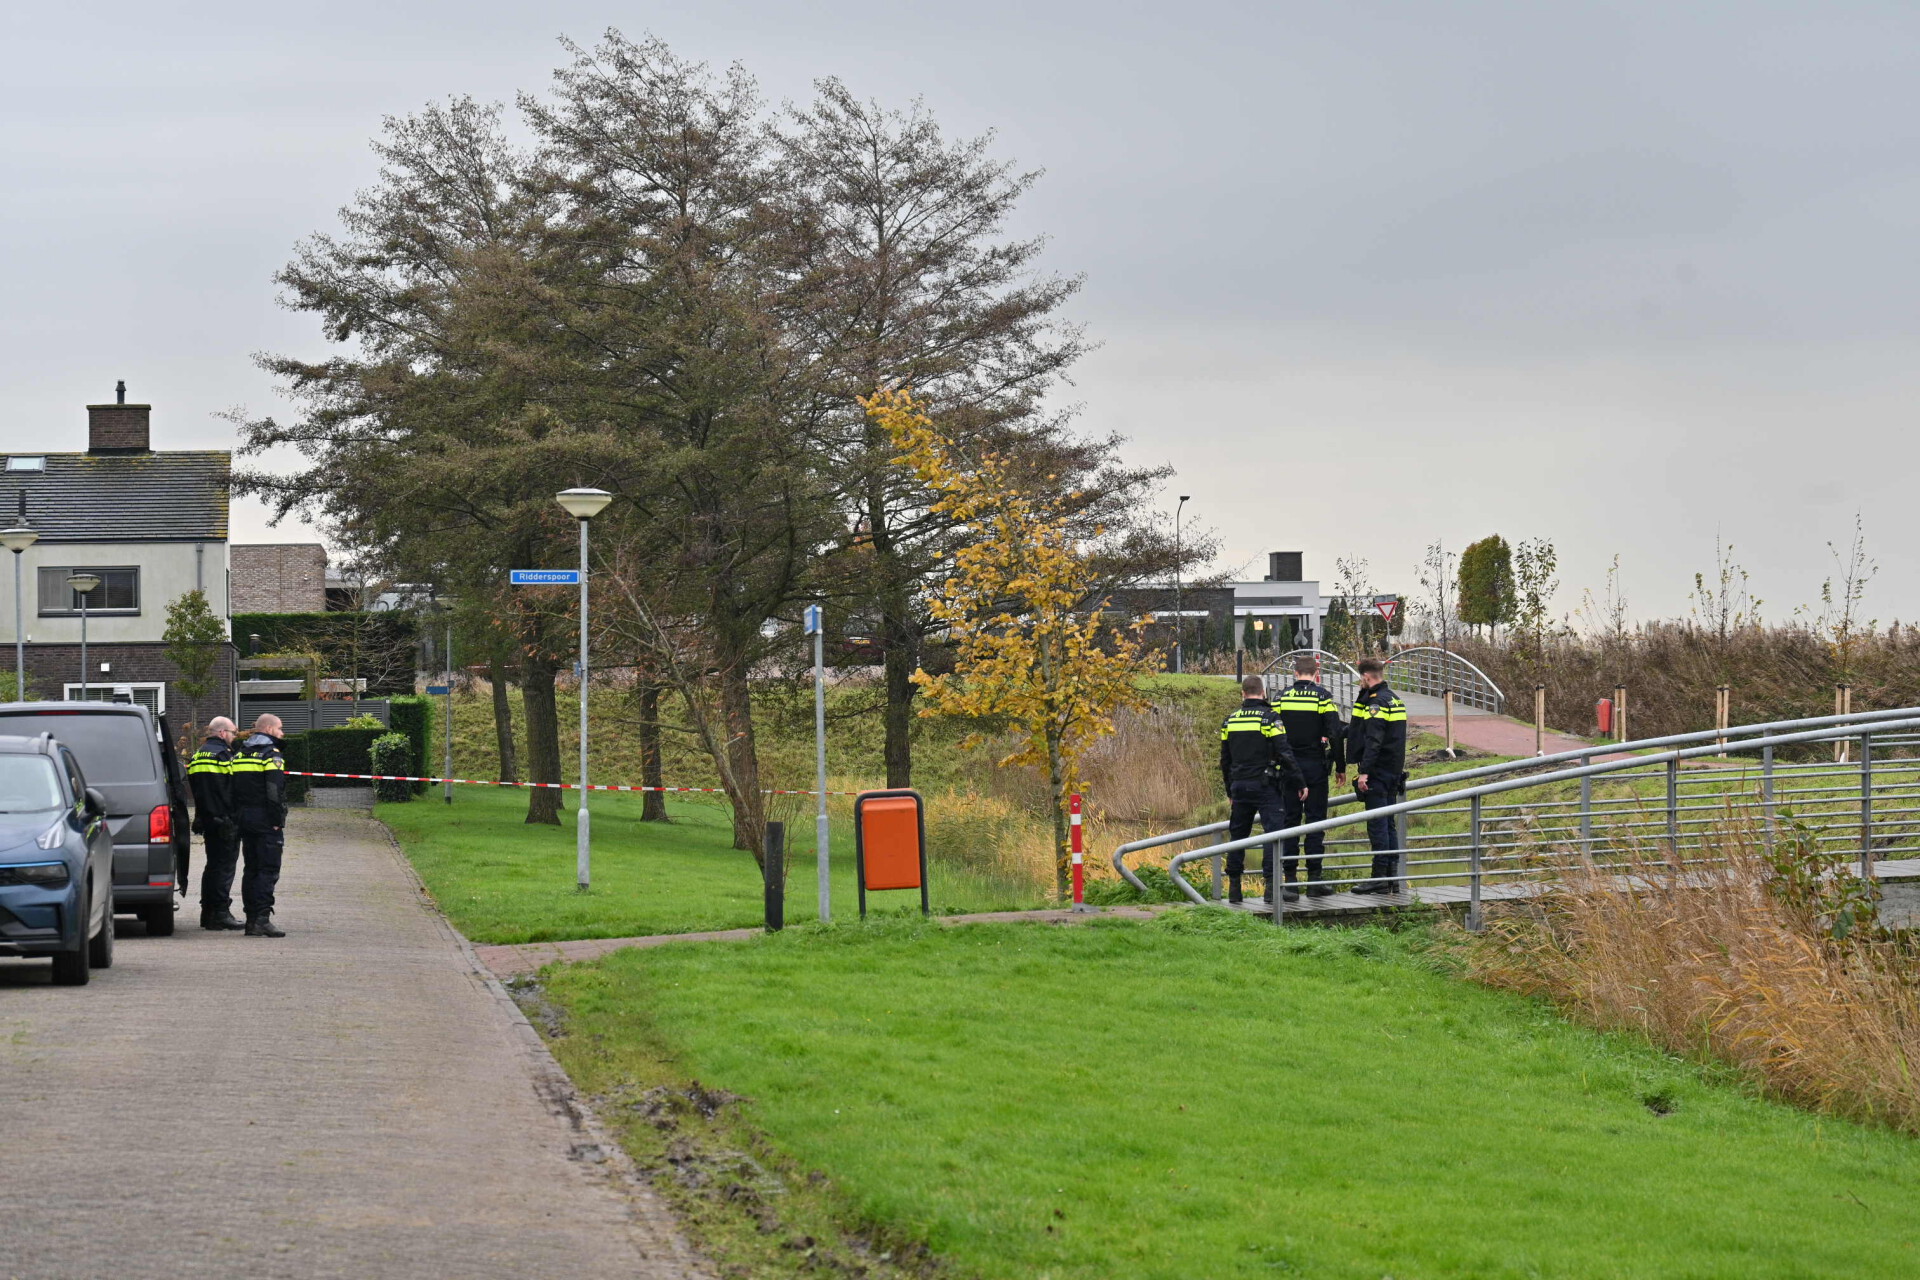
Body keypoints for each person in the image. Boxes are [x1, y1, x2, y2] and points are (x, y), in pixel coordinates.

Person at [1218, 673, 1306, 904]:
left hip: (1239, 786)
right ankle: (1271, 888)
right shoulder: (1269, 719)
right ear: (1264, 692)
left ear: (1243, 693)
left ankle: (1234, 889)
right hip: (1266, 786)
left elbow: (1224, 760)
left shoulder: (1230, 720)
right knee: (1273, 836)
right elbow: (1285, 753)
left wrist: (1230, 791)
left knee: (1238, 835)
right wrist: (1299, 782)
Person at [1275, 655, 1346, 896]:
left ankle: (1290, 880)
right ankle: (1315, 880)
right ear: (1316, 674)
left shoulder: (1281, 697)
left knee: (1290, 821)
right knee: (1315, 823)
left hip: (1288, 767)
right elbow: (1335, 733)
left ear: (1295, 674)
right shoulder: (1323, 697)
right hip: (1315, 766)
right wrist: (1340, 766)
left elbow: (1273, 735)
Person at [1349, 658, 1408, 894]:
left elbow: (1374, 740)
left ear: (1366, 677)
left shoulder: (1377, 703)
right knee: (1388, 824)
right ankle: (1391, 878)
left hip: (1378, 771)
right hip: (1393, 770)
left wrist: (1364, 772)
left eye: (1360, 679)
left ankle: (1378, 877)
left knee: (1377, 825)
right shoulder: (1394, 698)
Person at [229, 713, 289, 937]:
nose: (282, 733)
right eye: (280, 729)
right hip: (265, 820)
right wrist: (276, 820)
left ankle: (251, 919)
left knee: (251, 869)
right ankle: (261, 919)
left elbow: (232, 788)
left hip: (244, 818)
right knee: (267, 869)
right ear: (270, 729)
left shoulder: (240, 753)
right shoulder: (271, 754)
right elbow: (274, 790)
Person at [186, 716, 244, 931]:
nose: (234, 737)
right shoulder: (224, 755)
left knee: (212, 867)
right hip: (225, 819)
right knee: (224, 868)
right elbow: (232, 788)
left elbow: (200, 790)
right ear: (222, 733)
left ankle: (208, 913)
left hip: (207, 819)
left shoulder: (198, 755)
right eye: (233, 733)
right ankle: (220, 912)